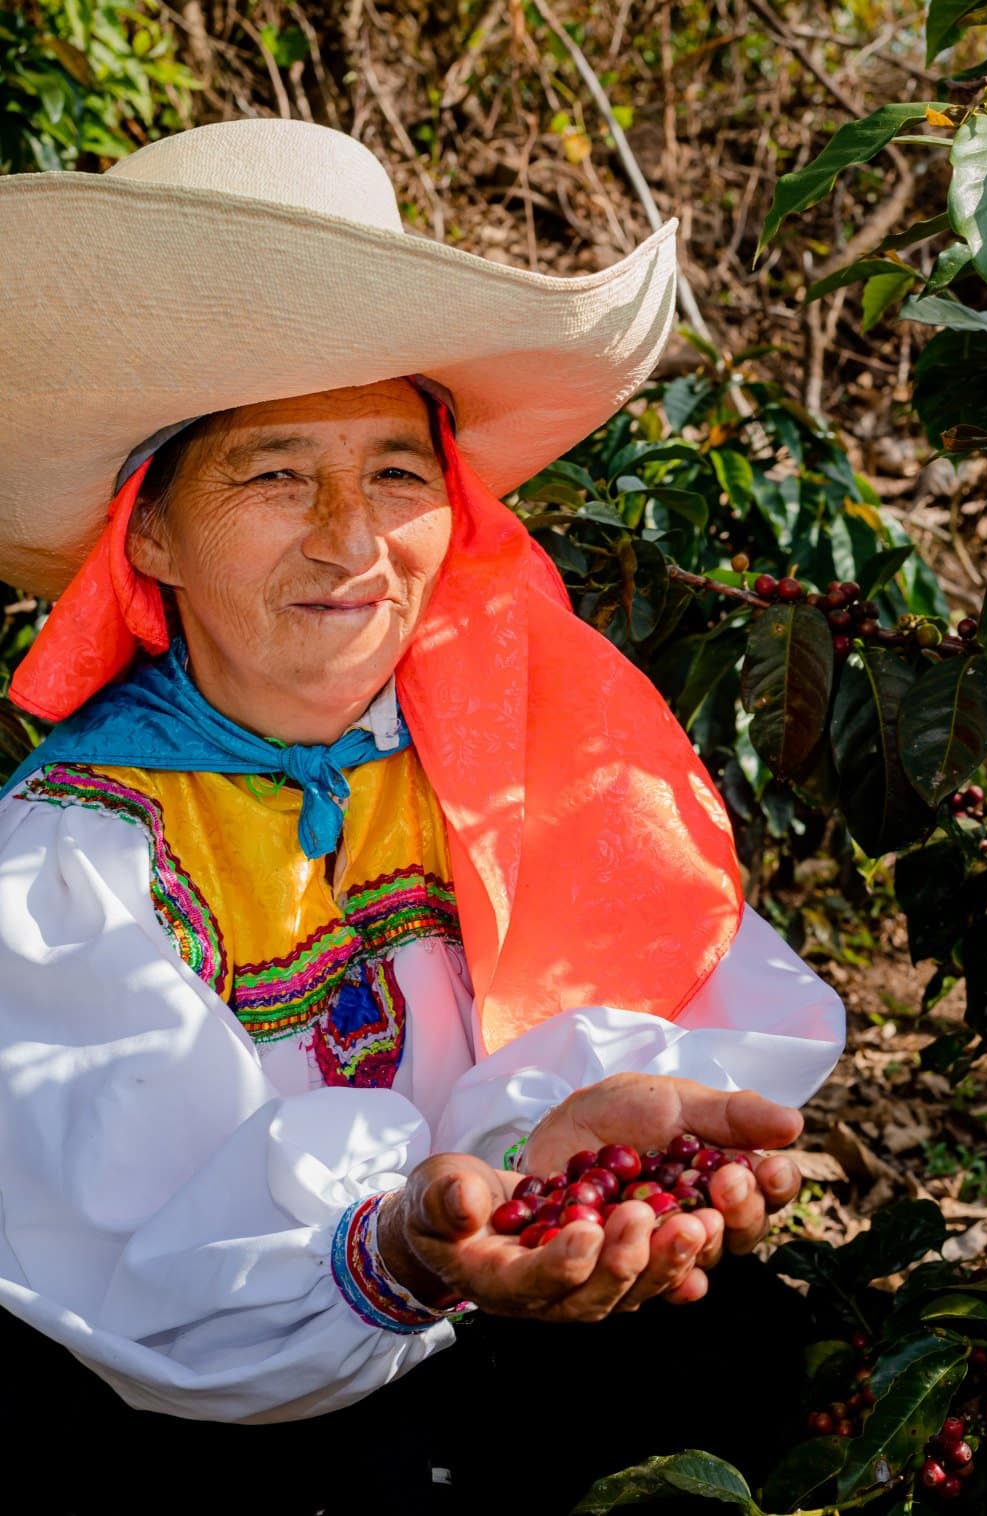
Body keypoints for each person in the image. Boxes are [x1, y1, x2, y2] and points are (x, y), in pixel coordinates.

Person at [0, 117, 845, 1510]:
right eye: (275, 472)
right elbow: (147, 1296)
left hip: (477, 1361)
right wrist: (397, 1247)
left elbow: (627, 1015)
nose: (350, 534)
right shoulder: (71, 861)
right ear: (150, 537)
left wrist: (548, 1142)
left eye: (396, 470)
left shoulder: (501, 757)